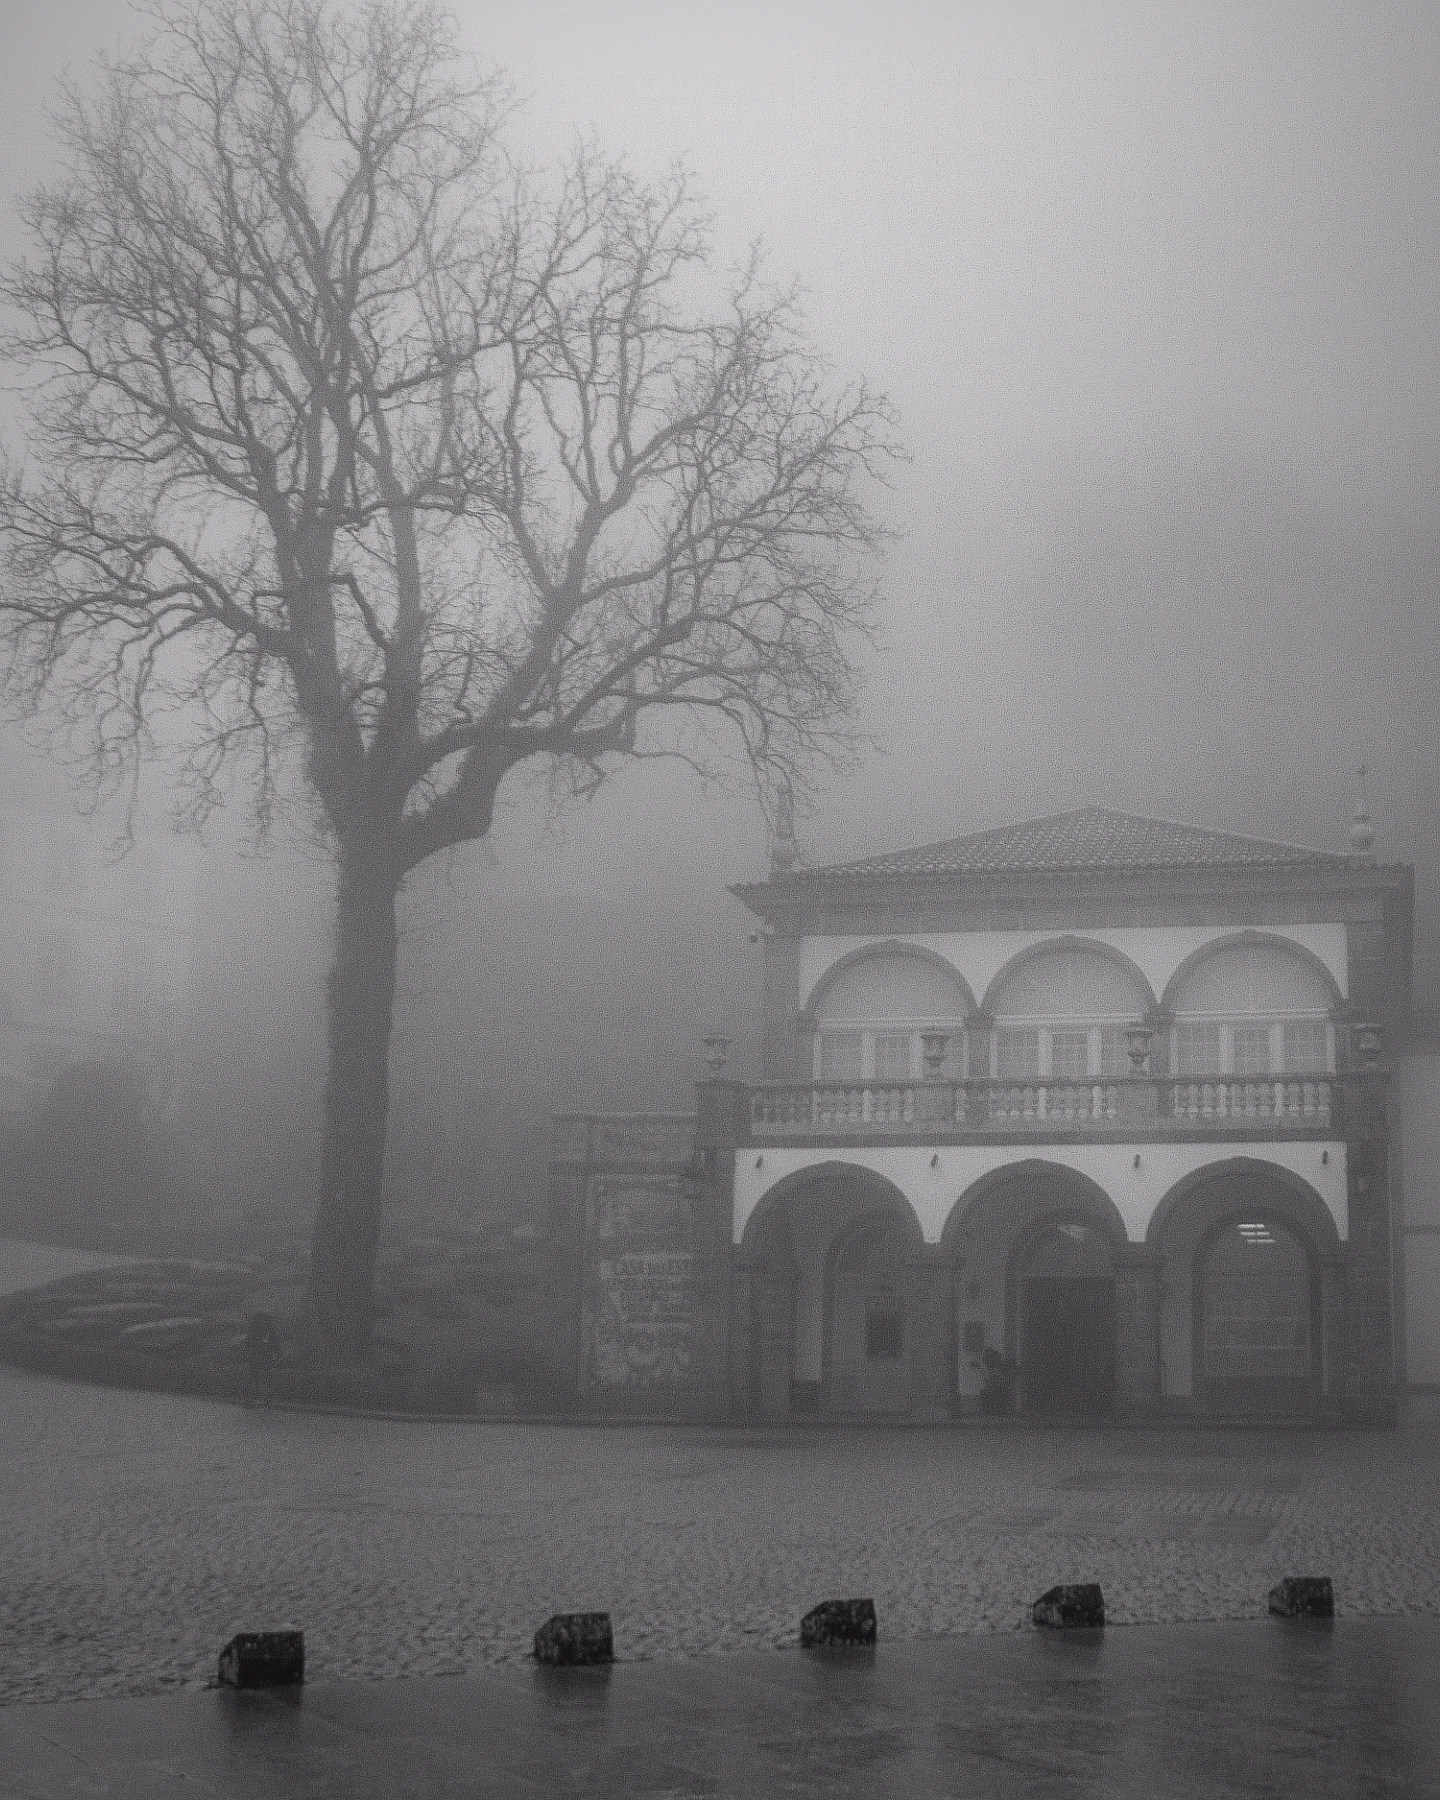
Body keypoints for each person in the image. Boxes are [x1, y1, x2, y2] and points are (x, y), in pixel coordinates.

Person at [244, 1310, 282, 1405]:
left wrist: (277, 1353)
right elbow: (249, 1343)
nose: (264, 1323)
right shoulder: (261, 1330)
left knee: (260, 1378)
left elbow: (275, 1344)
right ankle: (261, 1398)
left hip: (262, 1357)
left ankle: (262, 1398)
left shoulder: (266, 1330)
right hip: (260, 1357)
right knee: (260, 1377)